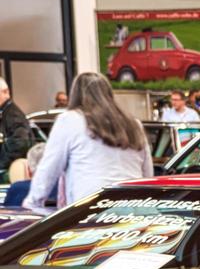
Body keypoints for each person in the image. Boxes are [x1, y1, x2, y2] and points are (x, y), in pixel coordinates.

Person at [24, 71, 151, 213]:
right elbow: (147, 174)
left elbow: (49, 168)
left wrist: (33, 203)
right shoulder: (133, 124)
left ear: (75, 95)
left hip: (91, 209)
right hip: (136, 209)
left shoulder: (70, 120)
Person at [0, 77, 32, 176]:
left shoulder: (12, 114)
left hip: (11, 172)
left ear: (5, 92)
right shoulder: (6, 112)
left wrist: (2, 164)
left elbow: (20, 143)